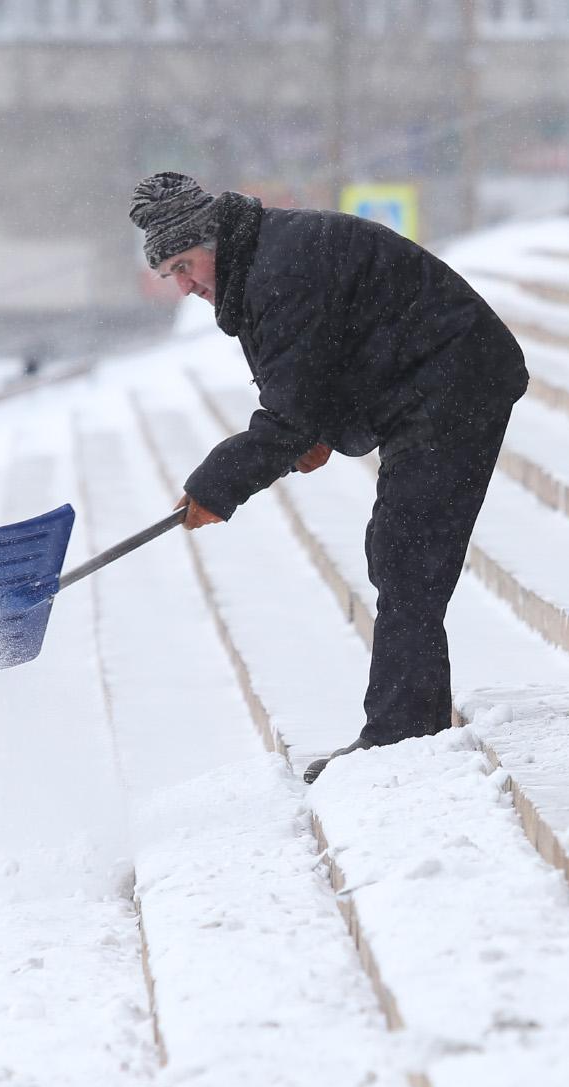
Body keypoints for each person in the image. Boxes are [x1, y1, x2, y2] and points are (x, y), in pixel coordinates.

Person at [129, 172, 528, 784]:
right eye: (170, 275)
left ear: (212, 240)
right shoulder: (258, 262)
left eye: (185, 264)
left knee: (406, 551)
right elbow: (319, 369)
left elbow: (290, 409)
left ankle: (404, 732)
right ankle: (409, 723)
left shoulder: (278, 271)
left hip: (456, 379)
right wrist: (313, 429)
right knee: (400, 551)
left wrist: (218, 484)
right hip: (419, 383)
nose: (184, 286)